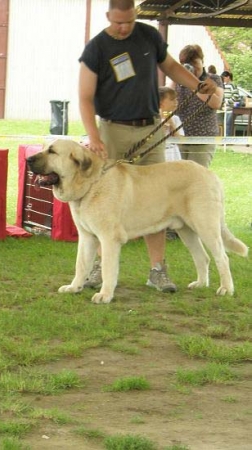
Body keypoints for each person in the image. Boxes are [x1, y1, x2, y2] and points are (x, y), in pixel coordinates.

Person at [78, 0, 216, 293]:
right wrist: (94, 136)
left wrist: (197, 85)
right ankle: (100, 270)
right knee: (106, 204)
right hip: (111, 130)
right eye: (117, 23)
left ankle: (158, 270)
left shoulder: (149, 36)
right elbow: (85, 96)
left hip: (149, 128)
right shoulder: (96, 48)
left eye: (128, 22)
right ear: (108, 17)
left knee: (158, 200)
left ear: (135, 16)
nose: (123, 28)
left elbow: (172, 67)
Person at [175, 44, 223, 167]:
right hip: (180, 137)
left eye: (194, 63)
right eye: (187, 63)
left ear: (202, 61)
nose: (192, 67)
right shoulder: (178, 80)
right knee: (178, 176)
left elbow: (216, 103)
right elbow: (167, 99)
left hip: (203, 138)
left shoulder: (213, 79)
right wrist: (178, 78)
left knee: (197, 177)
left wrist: (193, 84)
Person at [159, 86, 183, 162]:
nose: (176, 102)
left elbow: (180, 139)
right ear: (160, 102)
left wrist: (172, 124)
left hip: (173, 154)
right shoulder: (153, 119)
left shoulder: (175, 118)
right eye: (172, 100)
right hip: (160, 154)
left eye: (176, 99)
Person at [219, 70, 240, 136]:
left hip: (230, 108)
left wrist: (227, 102)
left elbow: (236, 96)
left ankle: (228, 139)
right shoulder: (224, 85)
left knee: (228, 124)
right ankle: (225, 138)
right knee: (225, 123)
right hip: (225, 108)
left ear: (228, 77)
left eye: (224, 78)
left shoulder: (232, 85)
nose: (223, 80)